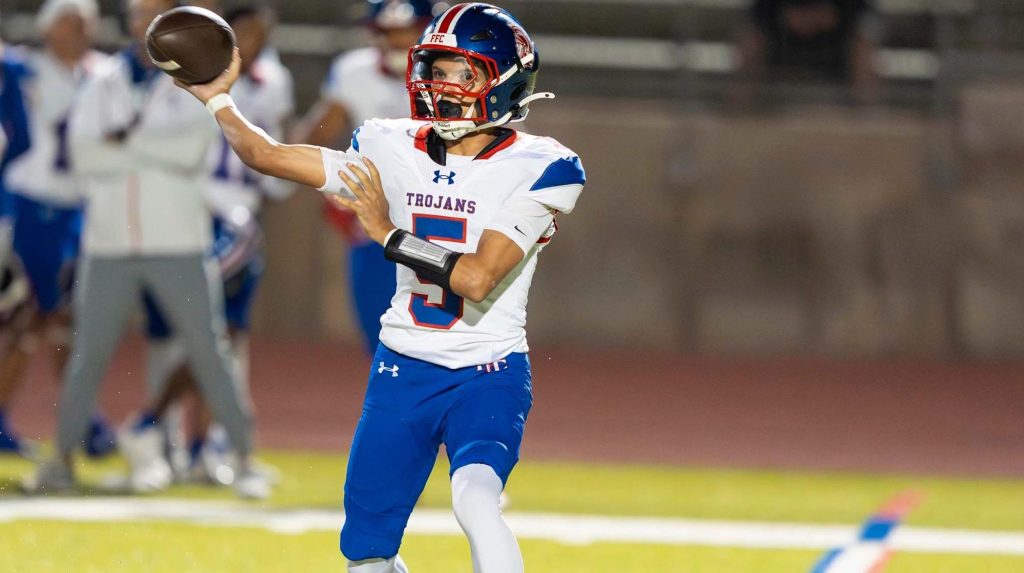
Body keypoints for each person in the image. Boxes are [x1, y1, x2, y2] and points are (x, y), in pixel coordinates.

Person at [178, 3, 583, 570]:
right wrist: (217, 97)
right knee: (365, 557)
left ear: (502, 79)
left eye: (461, 73)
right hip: (402, 369)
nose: (442, 85)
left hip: (486, 370)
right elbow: (264, 154)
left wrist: (387, 232)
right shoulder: (391, 144)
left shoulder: (545, 165)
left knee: (476, 502)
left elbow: (475, 278)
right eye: (436, 70)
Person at [24, 0, 266, 499]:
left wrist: (124, 144)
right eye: (138, 13)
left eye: (155, 12)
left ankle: (243, 460)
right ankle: (61, 461)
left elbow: (193, 150)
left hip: (178, 240)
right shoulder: (104, 77)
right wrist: (143, 147)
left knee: (208, 350)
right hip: (107, 243)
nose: (144, 22)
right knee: (87, 355)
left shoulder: (198, 78)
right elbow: (84, 155)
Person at [137, 3, 294, 485]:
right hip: (192, 218)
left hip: (241, 221)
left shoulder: (274, 80)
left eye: (263, 31)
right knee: (199, 337)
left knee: (225, 337)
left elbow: (274, 175)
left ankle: (200, 445)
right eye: (246, 31)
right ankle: (154, 431)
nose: (256, 40)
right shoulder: (186, 78)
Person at [0, 0, 116, 458]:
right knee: (27, 319)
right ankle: (81, 421)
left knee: (66, 321)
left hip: (82, 209)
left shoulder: (106, 74)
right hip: (31, 207)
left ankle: (82, 419)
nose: (80, 30)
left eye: (85, 22)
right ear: (47, 29)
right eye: (69, 21)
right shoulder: (23, 69)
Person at [293, 0, 440, 352]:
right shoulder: (354, 72)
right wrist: (331, 190)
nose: (396, 41)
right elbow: (317, 133)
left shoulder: (456, 72)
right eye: (387, 32)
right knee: (380, 336)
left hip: (442, 221)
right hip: (378, 223)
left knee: (441, 340)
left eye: (407, 31)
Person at [736, 0, 881, 104]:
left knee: (862, 48)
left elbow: (865, 43)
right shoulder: (766, 7)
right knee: (752, 45)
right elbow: (752, 39)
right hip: (780, 86)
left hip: (836, 90)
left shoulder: (855, 7)